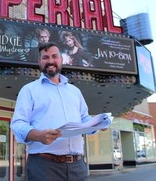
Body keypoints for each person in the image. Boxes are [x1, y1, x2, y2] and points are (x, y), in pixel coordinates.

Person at [11, 42, 96, 181]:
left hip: (78, 166)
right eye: (45, 57)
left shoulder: (75, 91)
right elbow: (18, 124)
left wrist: (98, 123)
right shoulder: (29, 90)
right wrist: (38, 135)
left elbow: (84, 119)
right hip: (44, 167)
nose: (50, 61)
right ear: (39, 61)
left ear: (61, 60)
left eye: (54, 56)